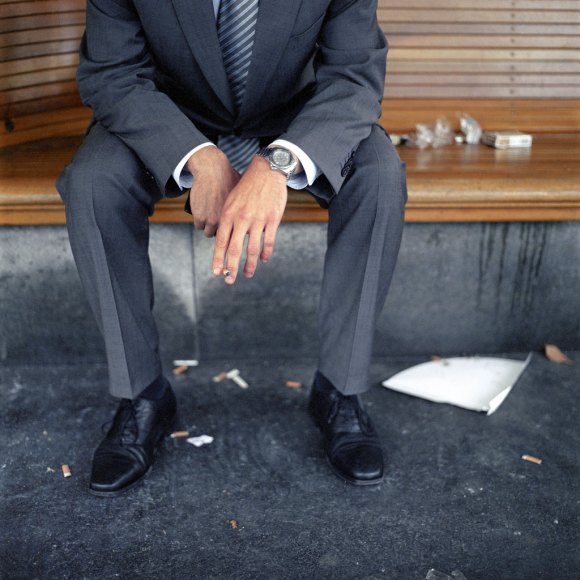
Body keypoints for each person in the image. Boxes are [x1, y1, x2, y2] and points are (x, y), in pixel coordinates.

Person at [57, 0, 407, 496]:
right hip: (170, 119)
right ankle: (142, 396)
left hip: (298, 121)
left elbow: (354, 78)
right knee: (93, 182)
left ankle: (339, 389)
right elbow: (112, 75)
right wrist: (198, 157)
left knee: (379, 176)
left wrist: (277, 163)